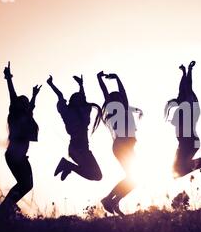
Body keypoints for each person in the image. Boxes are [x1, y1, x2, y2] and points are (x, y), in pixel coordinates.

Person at [0, 61, 41, 221]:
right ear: (19, 104)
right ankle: (5, 208)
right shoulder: (15, 112)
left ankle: (5, 208)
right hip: (15, 155)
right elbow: (13, 96)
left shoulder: (26, 115)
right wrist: (8, 78)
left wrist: (34, 96)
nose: (27, 105)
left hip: (19, 156)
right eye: (24, 102)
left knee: (27, 185)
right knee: (25, 184)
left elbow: (31, 109)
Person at [164, 61, 201, 179]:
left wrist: (189, 71)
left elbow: (187, 86)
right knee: (176, 171)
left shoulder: (189, 104)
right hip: (188, 142)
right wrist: (184, 72)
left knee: (176, 171)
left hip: (189, 141)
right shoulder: (186, 106)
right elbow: (182, 88)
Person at [98, 71, 143, 215]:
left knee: (134, 178)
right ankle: (109, 200)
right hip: (122, 146)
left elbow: (114, 93)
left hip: (123, 146)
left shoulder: (117, 108)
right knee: (133, 177)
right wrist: (114, 78)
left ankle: (113, 201)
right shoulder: (117, 107)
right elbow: (116, 93)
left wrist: (105, 79)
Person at [47, 74, 103, 181]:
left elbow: (83, 95)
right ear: (72, 100)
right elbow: (60, 95)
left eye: (80, 99)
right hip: (76, 148)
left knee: (97, 175)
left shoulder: (85, 110)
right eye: (76, 98)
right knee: (95, 175)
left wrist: (81, 84)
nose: (80, 99)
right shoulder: (67, 112)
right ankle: (67, 165)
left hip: (84, 149)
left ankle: (68, 166)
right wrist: (51, 84)